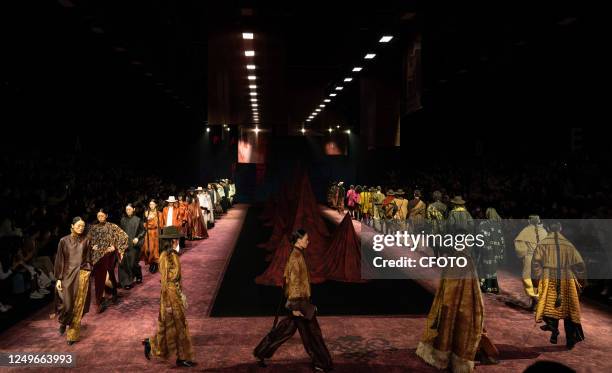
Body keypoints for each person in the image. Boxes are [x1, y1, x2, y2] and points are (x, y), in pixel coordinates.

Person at [416, 232, 498, 372]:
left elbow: (450, 290)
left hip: (459, 304)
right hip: (464, 304)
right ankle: (467, 356)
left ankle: (463, 355)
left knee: (454, 328)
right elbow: (455, 289)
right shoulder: (462, 258)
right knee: (465, 329)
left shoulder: (458, 258)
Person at [253, 229, 333, 372]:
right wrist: (294, 307)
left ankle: (262, 352)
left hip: (299, 302)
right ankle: (322, 362)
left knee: (285, 330)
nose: (308, 241)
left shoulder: (297, 254)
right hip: (299, 303)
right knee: (313, 334)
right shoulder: (296, 258)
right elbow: (294, 283)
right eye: (306, 239)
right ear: (298, 240)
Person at [142, 226, 196, 367]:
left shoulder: (173, 255)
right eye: (176, 238)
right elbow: (165, 282)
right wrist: (167, 304)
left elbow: (176, 279)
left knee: (170, 327)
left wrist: (181, 293)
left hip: (175, 293)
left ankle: (151, 343)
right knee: (178, 326)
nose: (178, 240)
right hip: (170, 296)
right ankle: (182, 357)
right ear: (171, 240)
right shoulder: (166, 256)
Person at [532, 222, 586, 349]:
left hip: (548, 277)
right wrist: (581, 281)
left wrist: (536, 279)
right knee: (569, 312)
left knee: (547, 305)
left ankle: (553, 329)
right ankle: (570, 340)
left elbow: (536, 264)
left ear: (548, 228)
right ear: (561, 229)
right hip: (567, 277)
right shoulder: (568, 244)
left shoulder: (543, 244)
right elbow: (580, 264)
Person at [53, 217, 94, 345]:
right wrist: (59, 278)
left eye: (82, 226)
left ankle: (72, 335)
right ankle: (64, 321)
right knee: (66, 304)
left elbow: (89, 258)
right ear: (72, 226)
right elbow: (60, 259)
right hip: (67, 276)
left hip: (82, 274)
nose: (81, 228)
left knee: (78, 305)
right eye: (78, 225)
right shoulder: (63, 241)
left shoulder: (87, 240)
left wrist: (88, 270)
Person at [88, 208, 129, 313]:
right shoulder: (93, 228)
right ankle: (100, 300)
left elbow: (124, 236)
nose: (100, 218)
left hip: (109, 255)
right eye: (98, 216)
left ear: (106, 215)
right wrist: (92, 246)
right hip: (97, 256)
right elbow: (88, 241)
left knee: (107, 275)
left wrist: (115, 246)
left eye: (102, 216)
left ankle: (113, 292)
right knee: (99, 278)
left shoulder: (112, 226)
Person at [514, 215, 548, 309]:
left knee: (527, 278)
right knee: (538, 279)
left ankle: (535, 299)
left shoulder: (526, 231)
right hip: (541, 258)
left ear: (530, 221)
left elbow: (519, 243)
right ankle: (536, 301)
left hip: (530, 257)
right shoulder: (544, 231)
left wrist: (524, 253)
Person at [477, 208, 505, 293]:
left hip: (486, 251)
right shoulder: (498, 225)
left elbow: (480, 238)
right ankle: (493, 288)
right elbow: (502, 240)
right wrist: (501, 252)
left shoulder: (483, 224)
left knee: (482, 268)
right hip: (496, 251)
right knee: (492, 269)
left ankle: (485, 287)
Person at [119, 203, 145, 289]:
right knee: (126, 263)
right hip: (126, 244)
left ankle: (138, 275)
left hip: (134, 245)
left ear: (133, 209)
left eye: (129, 209)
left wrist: (138, 238)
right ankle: (127, 282)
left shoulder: (138, 220)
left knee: (133, 263)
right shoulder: (123, 220)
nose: (128, 211)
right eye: (127, 210)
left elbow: (143, 231)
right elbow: (120, 232)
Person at [142, 199, 164, 274]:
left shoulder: (159, 214)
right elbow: (144, 224)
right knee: (148, 249)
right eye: (150, 204)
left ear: (156, 205)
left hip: (155, 232)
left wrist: (152, 222)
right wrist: (148, 222)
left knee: (155, 249)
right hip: (148, 233)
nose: (151, 206)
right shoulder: (146, 213)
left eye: (153, 204)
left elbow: (160, 225)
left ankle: (154, 263)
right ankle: (151, 262)